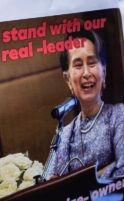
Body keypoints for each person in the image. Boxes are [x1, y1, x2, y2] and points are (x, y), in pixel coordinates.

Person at [47, 29, 124, 179]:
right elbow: (54, 185)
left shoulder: (119, 115)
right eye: (78, 65)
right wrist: (107, 168)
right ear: (67, 80)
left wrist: (79, 182)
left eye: (91, 63)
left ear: (104, 72)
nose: (86, 73)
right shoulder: (64, 134)